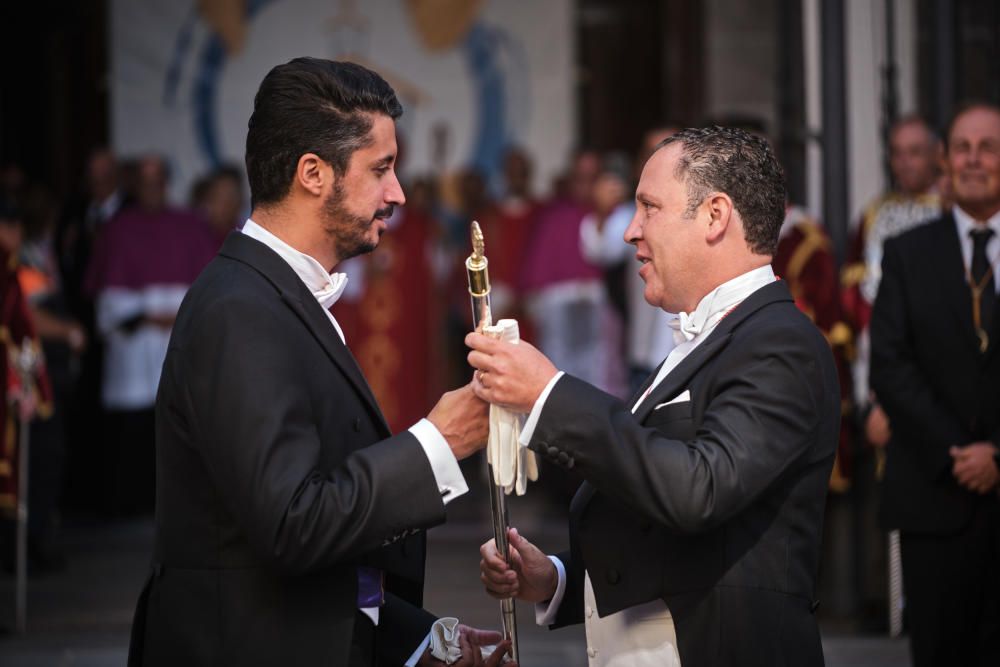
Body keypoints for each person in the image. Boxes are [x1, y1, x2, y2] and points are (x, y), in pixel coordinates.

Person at [127, 58, 508, 667]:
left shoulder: (283, 293)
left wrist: (420, 642)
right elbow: (291, 524)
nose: (398, 193)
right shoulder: (240, 310)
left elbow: (332, 554)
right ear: (312, 173)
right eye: (381, 169)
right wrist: (439, 442)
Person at [470, 126, 840, 666]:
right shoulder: (706, 335)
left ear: (715, 216)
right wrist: (556, 579)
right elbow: (671, 539)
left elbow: (699, 488)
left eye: (649, 208)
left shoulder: (780, 344)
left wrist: (549, 394)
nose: (630, 231)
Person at [869, 102, 1000, 667]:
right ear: (946, 159)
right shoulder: (905, 253)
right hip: (931, 493)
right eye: (963, 148)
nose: (974, 160)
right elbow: (891, 366)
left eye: (988, 147)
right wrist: (958, 453)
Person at [84, 154, 217, 515]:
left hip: (177, 345)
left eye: (158, 180)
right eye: (145, 181)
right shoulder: (117, 229)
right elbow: (108, 305)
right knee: (134, 431)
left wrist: (176, 317)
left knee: (179, 423)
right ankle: (131, 504)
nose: (152, 188)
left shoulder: (189, 225)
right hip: (135, 351)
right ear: (135, 186)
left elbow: (211, 290)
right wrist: (147, 316)